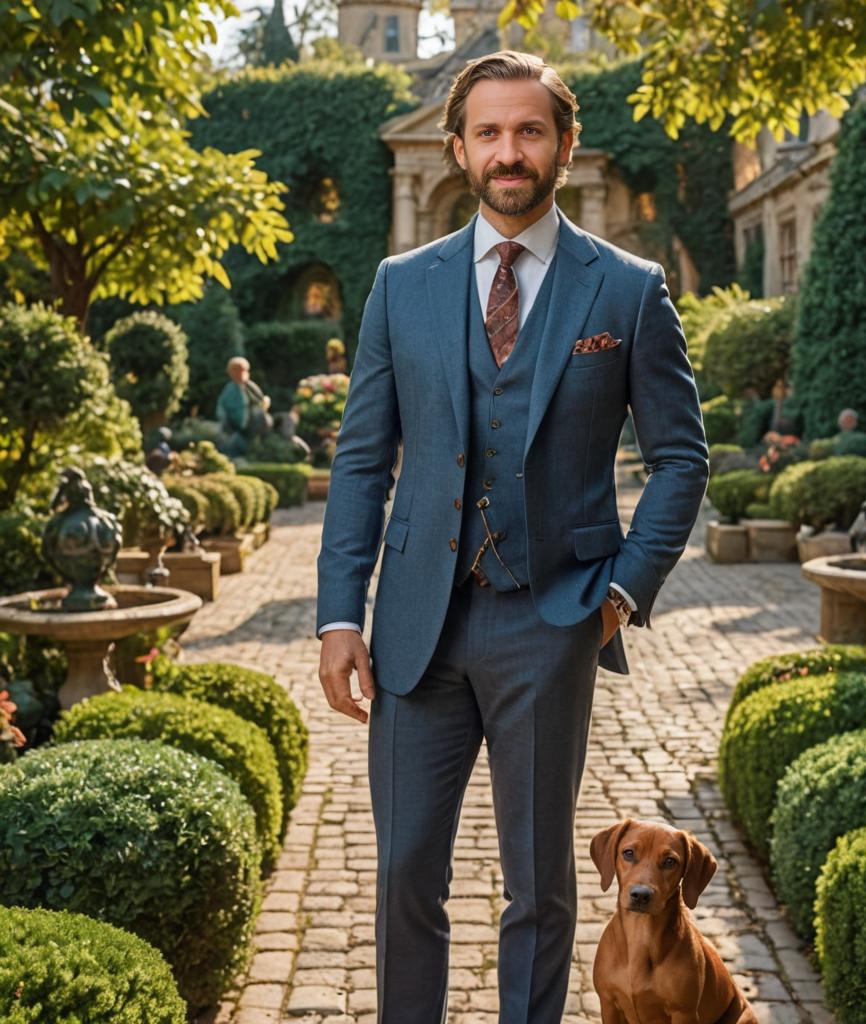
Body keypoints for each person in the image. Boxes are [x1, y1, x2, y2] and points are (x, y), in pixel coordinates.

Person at [316, 51, 708, 1024]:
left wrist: (620, 591)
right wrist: (335, 614)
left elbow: (680, 457)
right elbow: (363, 461)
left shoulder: (625, 288)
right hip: (416, 626)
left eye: (529, 129)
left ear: (563, 147)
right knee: (406, 870)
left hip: (554, 619)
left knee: (539, 884)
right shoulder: (400, 285)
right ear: (457, 146)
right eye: (487, 132)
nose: (508, 150)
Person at [215, 356, 272, 456]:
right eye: (236, 371)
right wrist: (223, 420)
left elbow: (261, 400)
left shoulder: (251, 387)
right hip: (235, 426)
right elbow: (221, 407)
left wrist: (264, 404)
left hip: (253, 425)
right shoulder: (230, 389)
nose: (240, 374)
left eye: (243, 371)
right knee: (233, 445)